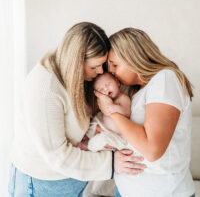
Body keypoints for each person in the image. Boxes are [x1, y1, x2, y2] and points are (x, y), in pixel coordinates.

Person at [8, 22, 145, 197]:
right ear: (75, 61)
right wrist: (111, 163)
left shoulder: (79, 76)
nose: (100, 71)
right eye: (94, 67)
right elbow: (57, 155)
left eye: (102, 65)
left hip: (72, 177)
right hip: (42, 182)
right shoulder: (45, 89)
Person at [95, 27, 195, 197]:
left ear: (133, 57)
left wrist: (111, 112)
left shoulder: (165, 79)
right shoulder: (137, 91)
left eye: (115, 65)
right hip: (127, 190)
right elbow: (136, 136)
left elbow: (152, 149)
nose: (111, 71)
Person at [77, 72, 131, 152]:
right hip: (104, 127)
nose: (106, 89)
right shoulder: (107, 101)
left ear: (117, 82)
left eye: (108, 84)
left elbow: (126, 112)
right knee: (97, 118)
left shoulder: (123, 98)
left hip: (118, 135)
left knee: (103, 138)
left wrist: (114, 108)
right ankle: (88, 135)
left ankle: (89, 146)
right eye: (101, 90)